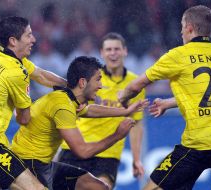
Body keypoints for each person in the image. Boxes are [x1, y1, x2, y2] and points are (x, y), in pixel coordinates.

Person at [119, 5, 211, 189]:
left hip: (197, 144)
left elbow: (137, 85)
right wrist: (169, 102)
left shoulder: (177, 56)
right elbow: (209, 94)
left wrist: (122, 98)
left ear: (189, 28)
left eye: (182, 26)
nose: (181, 31)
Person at [11, 56, 148, 190]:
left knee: (98, 187)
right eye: (98, 80)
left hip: (44, 164)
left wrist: (125, 112)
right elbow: (83, 151)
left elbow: (90, 110)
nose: (100, 86)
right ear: (82, 82)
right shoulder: (62, 106)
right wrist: (117, 135)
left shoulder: (69, 99)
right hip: (28, 165)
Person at [0, 16, 66, 190]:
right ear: (13, 41)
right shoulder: (15, 72)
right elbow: (24, 119)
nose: (33, 39)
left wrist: (69, 86)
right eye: (28, 35)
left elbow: (40, 74)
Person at [57, 32, 146, 189]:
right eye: (109, 49)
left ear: (125, 51)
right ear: (101, 53)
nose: (113, 53)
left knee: (101, 187)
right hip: (76, 147)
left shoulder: (134, 84)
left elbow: (136, 123)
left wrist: (136, 158)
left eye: (117, 49)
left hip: (108, 153)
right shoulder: (90, 78)